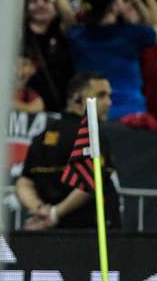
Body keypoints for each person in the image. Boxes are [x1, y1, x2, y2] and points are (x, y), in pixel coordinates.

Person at [16, 72, 121, 229]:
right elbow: (90, 183)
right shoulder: (91, 134)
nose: (109, 102)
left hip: (52, 232)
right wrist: (54, 214)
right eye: (101, 96)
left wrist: (40, 209)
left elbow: (24, 183)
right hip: (91, 232)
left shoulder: (42, 136)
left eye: (109, 96)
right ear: (77, 99)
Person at [67, 0, 157, 123]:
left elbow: (90, 5)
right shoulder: (132, 35)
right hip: (131, 120)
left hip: (92, 121)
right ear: (113, 7)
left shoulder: (76, 35)